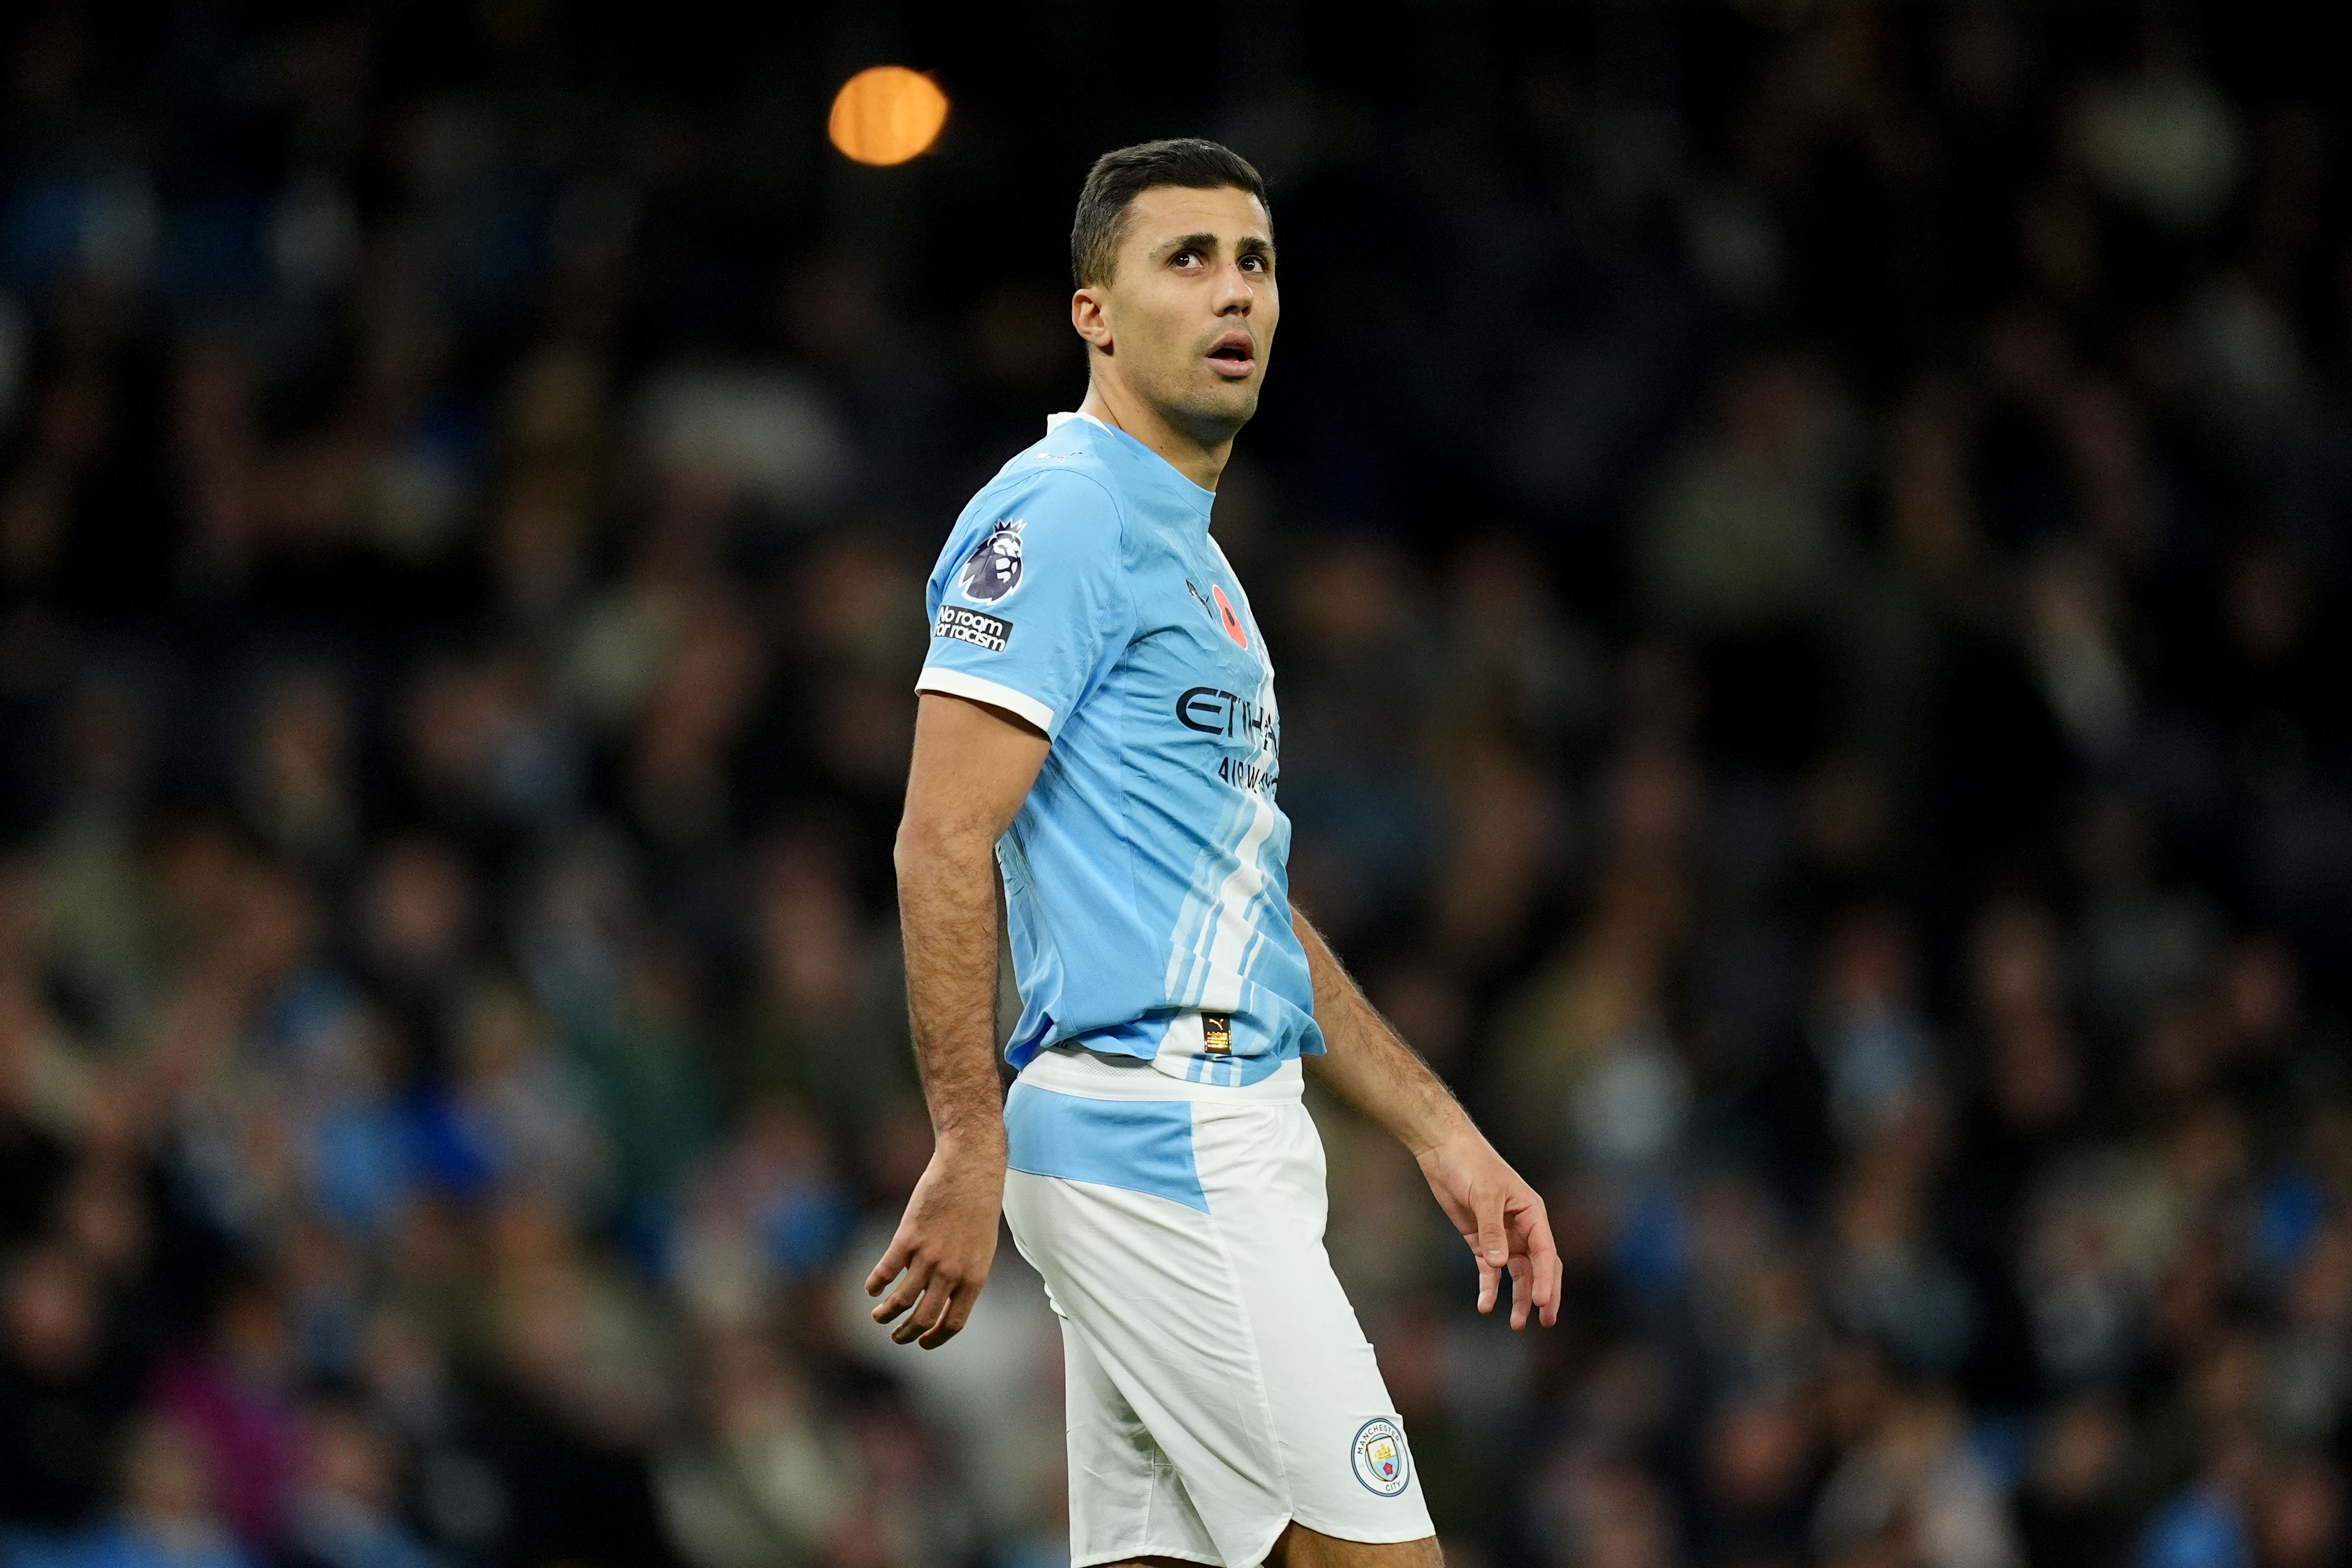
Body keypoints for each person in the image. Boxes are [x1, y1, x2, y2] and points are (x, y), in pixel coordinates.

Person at [865, 138, 1561, 1568]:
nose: (1233, 290)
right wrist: (964, 1136)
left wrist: (1438, 1126)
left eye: (1253, 261)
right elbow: (940, 832)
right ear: (1094, 312)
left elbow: (1243, 911)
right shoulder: (1061, 512)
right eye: (1185, 258)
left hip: (1194, 1123)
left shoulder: (1196, 559)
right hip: (1156, 1125)